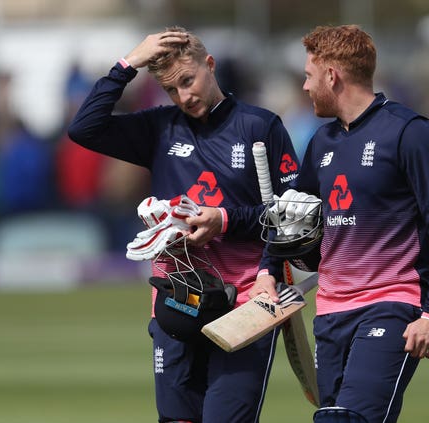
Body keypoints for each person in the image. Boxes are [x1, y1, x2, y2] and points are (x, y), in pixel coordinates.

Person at [67, 27, 300, 423]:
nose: (184, 96)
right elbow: (83, 128)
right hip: (176, 300)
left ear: (209, 65)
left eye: (188, 81)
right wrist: (127, 64)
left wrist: (257, 259)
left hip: (245, 301)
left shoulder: (261, 126)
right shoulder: (160, 127)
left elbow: (293, 215)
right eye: (172, 90)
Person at [250, 24, 429, 422]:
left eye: (309, 76)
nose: (304, 86)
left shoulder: (409, 132)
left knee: (346, 419)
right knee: (333, 414)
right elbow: (294, 218)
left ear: (332, 76)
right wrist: (267, 270)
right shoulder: (322, 142)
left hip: (392, 305)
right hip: (330, 312)